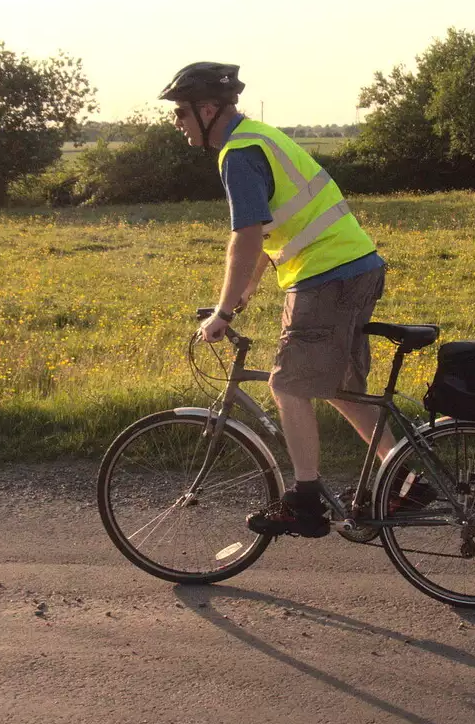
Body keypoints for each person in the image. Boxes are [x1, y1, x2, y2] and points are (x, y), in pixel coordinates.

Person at [161, 61, 393, 538]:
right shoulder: (262, 137)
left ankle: (305, 503)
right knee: (339, 389)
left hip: (325, 275)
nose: (177, 123)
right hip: (357, 267)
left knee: (287, 386)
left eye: (180, 112)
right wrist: (243, 295)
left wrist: (223, 312)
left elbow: (246, 236)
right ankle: (405, 477)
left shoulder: (238, 153)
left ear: (208, 109)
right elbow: (272, 234)